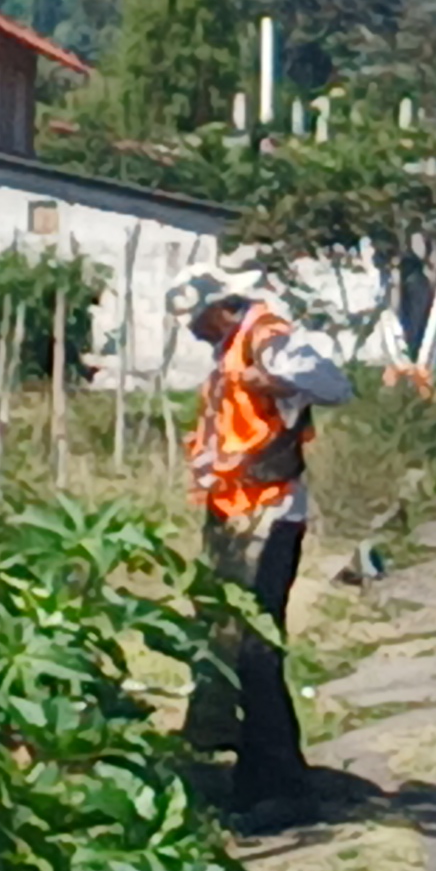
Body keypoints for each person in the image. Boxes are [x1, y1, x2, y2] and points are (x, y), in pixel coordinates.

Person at [183, 287, 353, 815]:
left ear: (221, 309)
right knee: (235, 642)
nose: (195, 333)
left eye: (199, 321)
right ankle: (254, 774)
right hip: (236, 511)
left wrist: (274, 380)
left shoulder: (266, 338)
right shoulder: (231, 350)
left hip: (271, 511)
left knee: (257, 648)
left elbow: (334, 386)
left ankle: (281, 785)